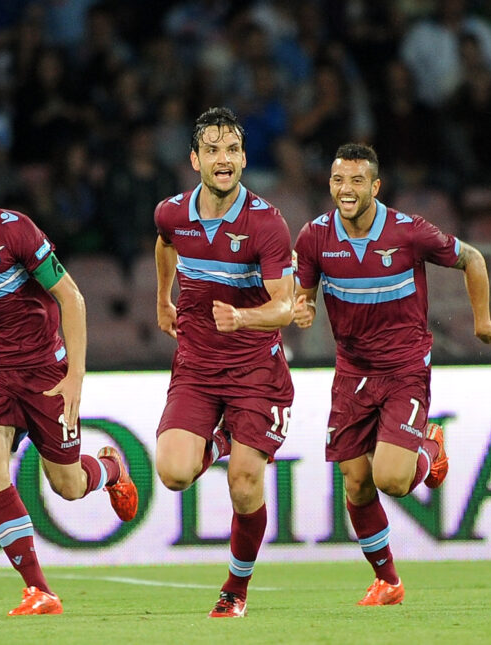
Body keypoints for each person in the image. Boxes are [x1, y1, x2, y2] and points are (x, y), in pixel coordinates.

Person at [0, 142, 138, 616]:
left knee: (68, 486)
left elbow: (71, 298)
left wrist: (75, 376)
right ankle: (39, 590)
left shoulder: (17, 231)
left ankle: (112, 469)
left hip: (43, 371)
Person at [292, 143, 491, 605]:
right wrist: (303, 307)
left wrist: (482, 321)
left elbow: (472, 258)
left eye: (356, 181)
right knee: (355, 480)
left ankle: (429, 451)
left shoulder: (409, 233)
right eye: (338, 180)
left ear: (375, 186)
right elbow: (304, 293)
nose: (345, 190)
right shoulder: (313, 238)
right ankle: (388, 581)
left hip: (404, 368)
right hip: (351, 371)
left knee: (391, 479)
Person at [153, 107, 297, 618]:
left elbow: (286, 304)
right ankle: (218, 438)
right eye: (212, 150)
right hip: (195, 365)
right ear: (195, 159)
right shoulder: (172, 213)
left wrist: (245, 318)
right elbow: (165, 244)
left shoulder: (266, 223)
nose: (223, 159)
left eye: (232, 149)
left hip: (255, 371)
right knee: (171, 472)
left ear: (243, 158)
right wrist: (162, 298)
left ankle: (235, 590)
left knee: (244, 482)